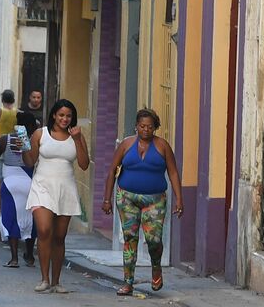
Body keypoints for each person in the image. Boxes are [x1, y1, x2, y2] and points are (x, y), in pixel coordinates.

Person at [101, 108, 185, 295]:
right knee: (130, 239)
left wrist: (179, 198)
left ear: (155, 128)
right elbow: (112, 171)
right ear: (136, 126)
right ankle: (127, 282)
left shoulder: (162, 146)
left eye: (149, 127)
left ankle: (156, 267)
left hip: (154, 199)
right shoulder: (126, 145)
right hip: (127, 197)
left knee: (153, 240)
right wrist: (106, 199)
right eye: (142, 126)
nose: (145, 130)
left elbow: (172, 172)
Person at [25, 99, 89, 294]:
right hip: (42, 186)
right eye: (61, 115)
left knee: (59, 237)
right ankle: (44, 279)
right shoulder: (40, 134)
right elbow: (30, 161)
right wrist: (22, 148)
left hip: (66, 188)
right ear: (54, 115)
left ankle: (56, 281)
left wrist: (77, 139)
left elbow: (85, 164)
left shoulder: (76, 136)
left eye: (68, 116)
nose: (64, 119)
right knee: (44, 230)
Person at [0, 110, 39, 268]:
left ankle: (14, 258)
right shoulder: (36, 140)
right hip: (30, 183)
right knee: (31, 220)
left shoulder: (5, 140)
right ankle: (29, 256)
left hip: (10, 183)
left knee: (10, 219)